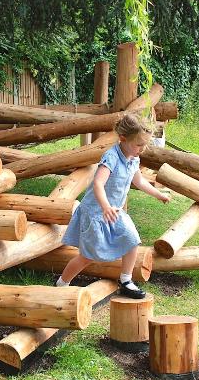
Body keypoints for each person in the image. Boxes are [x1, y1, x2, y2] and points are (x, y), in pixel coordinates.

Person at [55, 114, 171, 298]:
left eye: (145, 145)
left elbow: (139, 182)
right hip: (96, 212)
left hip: (114, 212)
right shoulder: (111, 157)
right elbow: (98, 184)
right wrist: (106, 206)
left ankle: (126, 280)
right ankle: (62, 284)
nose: (142, 149)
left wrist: (159, 195)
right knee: (88, 256)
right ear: (123, 138)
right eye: (139, 144)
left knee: (132, 240)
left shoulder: (133, 158)